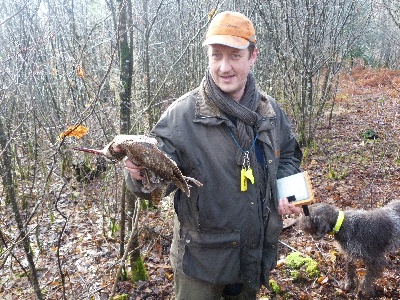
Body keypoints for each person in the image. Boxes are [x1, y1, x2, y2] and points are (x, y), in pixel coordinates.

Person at [120, 11, 303, 300]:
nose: (224, 67)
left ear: (253, 56)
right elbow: (156, 183)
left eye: (235, 56)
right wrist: (141, 174)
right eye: (216, 55)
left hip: (251, 258)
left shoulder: (270, 111)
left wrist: (286, 188)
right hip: (200, 267)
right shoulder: (181, 117)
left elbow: (289, 155)